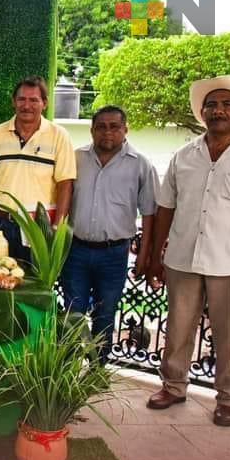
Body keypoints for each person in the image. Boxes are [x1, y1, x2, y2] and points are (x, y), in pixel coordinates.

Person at [145, 74, 230, 427]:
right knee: (177, 328)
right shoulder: (184, 155)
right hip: (183, 257)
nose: (218, 110)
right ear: (203, 112)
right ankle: (174, 386)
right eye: (212, 104)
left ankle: (229, 399)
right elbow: (166, 208)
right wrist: (154, 257)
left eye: (226, 104)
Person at [61, 105, 158, 363]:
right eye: (101, 126)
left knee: (104, 314)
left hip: (114, 253)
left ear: (125, 129)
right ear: (92, 130)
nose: (108, 132)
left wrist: (145, 256)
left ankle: (97, 368)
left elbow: (150, 214)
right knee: (73, 312)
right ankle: (66, 370)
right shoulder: (76, 158)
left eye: (114, 126)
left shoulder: (141, 165)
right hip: (76, 251)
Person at [0, 76, 76, 263]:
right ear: (14, 101)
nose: (27, 105)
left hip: (38, 228)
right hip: (0, 226)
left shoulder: (59, 136)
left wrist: (56, 228)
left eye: (34, 100)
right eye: (21, 99)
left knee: (34, 287)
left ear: (44, 103)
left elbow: (66, 185)